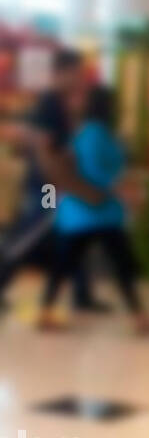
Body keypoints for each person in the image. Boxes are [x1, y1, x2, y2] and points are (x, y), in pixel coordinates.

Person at [36, 84, 149, 335]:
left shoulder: (96, 132)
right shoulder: (94, 133)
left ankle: (140, 317)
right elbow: (93, 169)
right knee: (108, 264)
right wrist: (120, 189)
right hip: (90, 212)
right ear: (107, 107)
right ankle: (140, 318)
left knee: (77, 263)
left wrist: (121, 186)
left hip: (93, 213)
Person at [0, 48, 109, 313]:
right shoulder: (50, 103)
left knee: (76, 232)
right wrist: (60, 185)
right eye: (77, 73)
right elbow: (44, 148)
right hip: (47, 184)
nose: (80, 78)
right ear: (64, 72)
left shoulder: (59, 103)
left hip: (57, 180)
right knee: (33, 232)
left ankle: (82, 294)